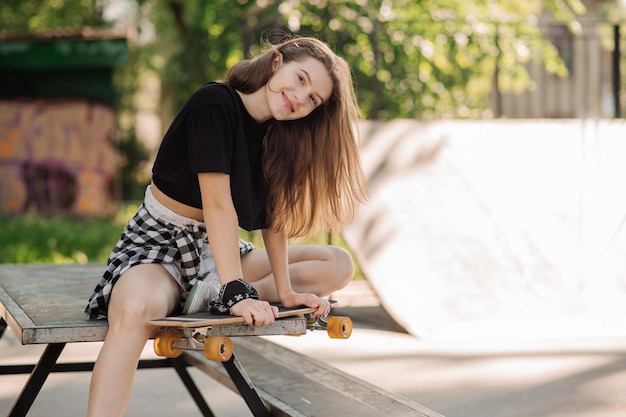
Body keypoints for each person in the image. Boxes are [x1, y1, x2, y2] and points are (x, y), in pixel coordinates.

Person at [84, 35, 368, 417]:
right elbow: (218, 205)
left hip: (219, 252)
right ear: (275, 63)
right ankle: (221, 296)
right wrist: (237, 290)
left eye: (312, 99)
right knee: (134, 308)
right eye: (300, 79)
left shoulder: (281, 137)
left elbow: (276, 221)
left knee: (338, 264)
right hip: (161, 244)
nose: (300, 98)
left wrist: (285, 291)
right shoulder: (215, 103)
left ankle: (218, 295)